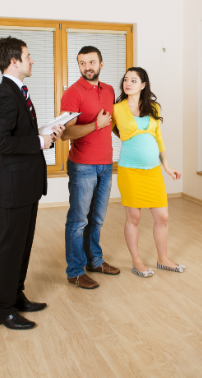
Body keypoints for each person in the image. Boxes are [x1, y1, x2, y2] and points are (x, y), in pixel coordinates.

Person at [0, 36, 65, 330]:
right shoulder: (5, 95)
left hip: (26, 184)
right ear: (14, 61)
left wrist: (45, 133)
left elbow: (18, 133)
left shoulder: (16, 90)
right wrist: (39, 140)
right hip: (14, 186)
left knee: (23, 244)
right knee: (10, 247)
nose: (32, 60)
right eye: (28, 56)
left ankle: (16, 295)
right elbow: (0, 142)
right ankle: (2, 308)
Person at [112, 67, 185, 278]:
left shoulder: (153, 107)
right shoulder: (117, 108)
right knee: (133, 217)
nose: (128, 83)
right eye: (126, 79)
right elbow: (108, 129)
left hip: (153, 171)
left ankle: (163, 259)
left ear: (143, 85)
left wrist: (167, 166)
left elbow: (159, 139)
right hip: (130, 171)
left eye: (133, 80)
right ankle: (137, 261)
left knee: (163, 216)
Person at [59, 46, 120, 289]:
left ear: (101, 64)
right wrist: (96, 125)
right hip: (82, 166)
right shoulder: (73, 93)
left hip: (106, 164)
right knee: (78, 221)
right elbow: (65, 133)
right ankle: (75, 270)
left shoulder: (109, 90)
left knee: (97, 218)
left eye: (91, 62)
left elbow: (112, 123)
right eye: (82, 63)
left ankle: (94, 261)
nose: (87, 67)